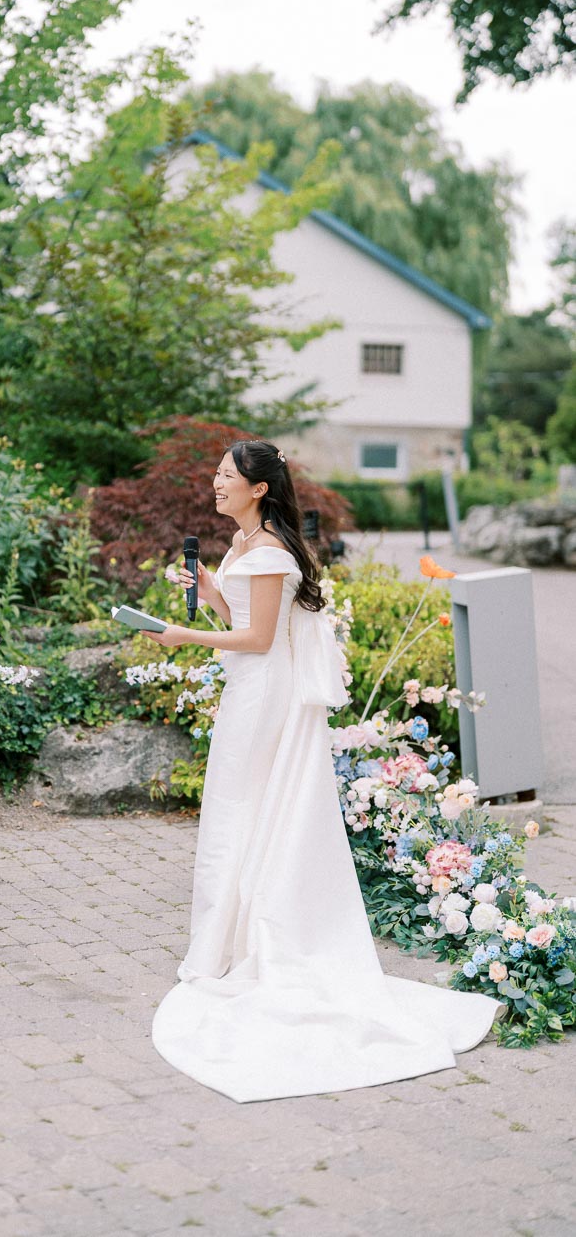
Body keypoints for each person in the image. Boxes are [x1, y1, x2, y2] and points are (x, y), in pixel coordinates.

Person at [145, 440, 499, 1101]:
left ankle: (257, 937)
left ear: (257, 487)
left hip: (263, 692)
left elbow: (258, 640)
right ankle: (231, 936)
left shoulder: (275, 550)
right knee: (238, 808)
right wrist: (209, 591)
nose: (215, 483)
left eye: (226, 476)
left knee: (249, 805)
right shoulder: (244, 543)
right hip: (246, 688)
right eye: (217, 474)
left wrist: (183, 634)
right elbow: (243, 620)